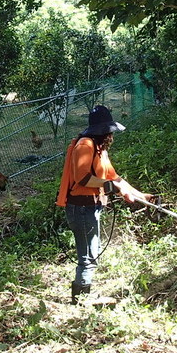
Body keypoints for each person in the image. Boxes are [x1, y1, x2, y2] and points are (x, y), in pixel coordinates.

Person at [56, 105, 152, 304]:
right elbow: (82, 178)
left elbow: (115, 178)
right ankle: (81, 300)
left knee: (92, 251)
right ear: (101, 131)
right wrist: (113, 187)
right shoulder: (85, 146)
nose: (111, 136)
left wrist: (140, 195)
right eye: (109, 132)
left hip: (91, 207)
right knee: (88, 256)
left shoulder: (100, 150)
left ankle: (83, 295)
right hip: (81, 208)